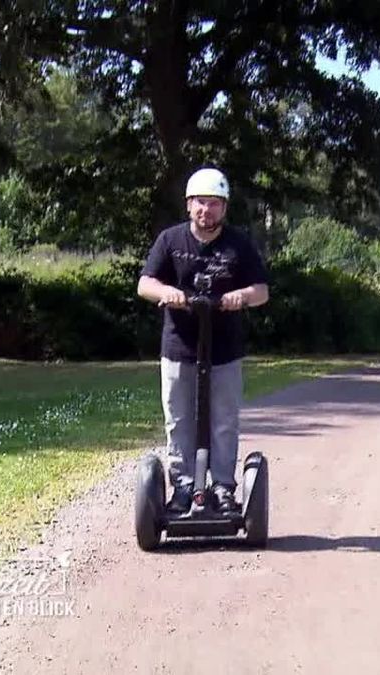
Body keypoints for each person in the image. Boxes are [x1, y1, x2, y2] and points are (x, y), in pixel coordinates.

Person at [137, 167, 270, 514]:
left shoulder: (239, 244)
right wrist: (168, 292)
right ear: (188, 204)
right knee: (179, 420)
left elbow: (261, 291)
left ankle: (223, 487)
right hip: (179, 347)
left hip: (224, 350)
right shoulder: (171, 240)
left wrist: (238, 297)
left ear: (224, 208)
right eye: (200, 202)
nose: (205, 210)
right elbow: (145, 283)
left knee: (224, 419)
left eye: (213, 204)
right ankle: (183, 488)